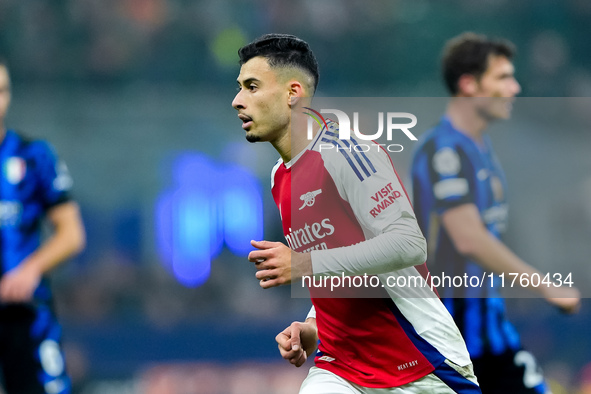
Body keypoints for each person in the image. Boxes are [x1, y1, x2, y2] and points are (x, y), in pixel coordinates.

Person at [232, 34, 481, 393]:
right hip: (340, 367)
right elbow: (339, 269)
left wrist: (303, 263)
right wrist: (313, 326)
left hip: (419, 365)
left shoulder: (346, 152)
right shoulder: (279, 177)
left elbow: (408, 245)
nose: (238, 101)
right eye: (239, 88)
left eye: (251, 87)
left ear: (293, 93)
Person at [410, 32, 580, 394]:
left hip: (491, 336)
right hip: (449, 344)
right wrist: (545, 286)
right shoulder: (443, 150)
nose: (514, 88)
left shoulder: (480, 149)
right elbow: (468, 237)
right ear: (469, 84)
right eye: (502, 77)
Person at [0, 58, 85, 394]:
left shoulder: (33, 157)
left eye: (3, 90)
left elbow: (71, 234)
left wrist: (29, 270)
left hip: (26, 312)